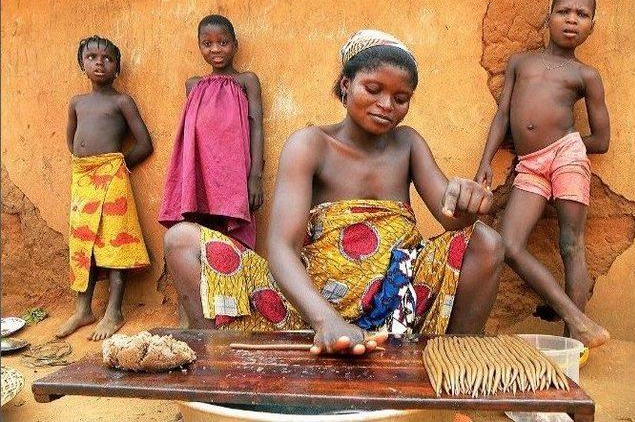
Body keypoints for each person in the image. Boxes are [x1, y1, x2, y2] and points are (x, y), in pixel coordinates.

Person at [164, 29, 504, 355]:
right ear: (346, 84)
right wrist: (326, 319)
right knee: (182, 240)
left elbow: (454, 222)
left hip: (400, 307)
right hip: (308, 312)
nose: (387, 104)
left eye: (401, 99)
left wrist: (467, 201)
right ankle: (216, 376)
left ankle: (454, 376)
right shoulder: (311, 144)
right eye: (373, 89)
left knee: (486, 241)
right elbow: (283, 247)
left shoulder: (408, 144)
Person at [475, 0, 610, 348]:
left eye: (582, 15)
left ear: (591, 27)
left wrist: (563, 144)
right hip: (530, 165)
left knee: (571, 244)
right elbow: (503, 114)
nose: (571, 20)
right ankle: (578, 321)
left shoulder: (586, 76)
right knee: (508, 244)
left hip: (567, 154)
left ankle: (573, 344)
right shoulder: (521, 62)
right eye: (564, 11)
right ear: (548, 17)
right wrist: (485, 161)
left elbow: (602, 139)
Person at [57, 35, 153, 341]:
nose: (100, 63)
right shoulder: (76, 102)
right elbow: (72, 142)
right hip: (83, 178)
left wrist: (118, 165)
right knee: (82, 243)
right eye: (93, 57)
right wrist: (87, 163)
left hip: (112, 176)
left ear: (117, 68)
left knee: (115, 242)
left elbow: (144, 143)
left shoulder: (121, 101)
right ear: (81, 64)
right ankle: (82, 309)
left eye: (108, 59)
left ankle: (114, 311)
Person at [158, 14, 264, 250]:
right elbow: (190, 139)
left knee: (235, 245)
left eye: (223, 42)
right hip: (202, 176)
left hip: (234, 177)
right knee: (203, 241)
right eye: (208, 44)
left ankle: (235, 284)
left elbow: (257, 126)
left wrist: (255, 176)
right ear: (200, 47)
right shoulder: (194, 85)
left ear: (235, 44)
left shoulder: (246, 80)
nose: (216, 49)